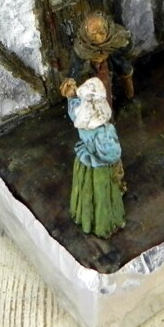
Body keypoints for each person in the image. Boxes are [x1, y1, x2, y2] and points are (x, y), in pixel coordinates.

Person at [66, 78, 126, 238]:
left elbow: (74, 111)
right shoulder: (103, 131)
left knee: (88, 191)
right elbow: (112, 154)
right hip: (100, 168)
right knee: (101, 195)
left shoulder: (80, 116)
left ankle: (87, 217)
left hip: (87, 161)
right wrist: (116, 164)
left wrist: (71, 96)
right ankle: (101, 223)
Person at [59, 11, 134, 106]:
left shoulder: (117, 35)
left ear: (106, 28)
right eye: (93, 35)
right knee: (99, 85)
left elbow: (128, 47)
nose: (98, 37)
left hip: (113, 55)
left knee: (124, 67)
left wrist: (109, 52)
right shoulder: (83, 46)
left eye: (101, 32)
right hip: (94, 65)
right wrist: (71, 79)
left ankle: (127, 82)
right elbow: (76, 64)